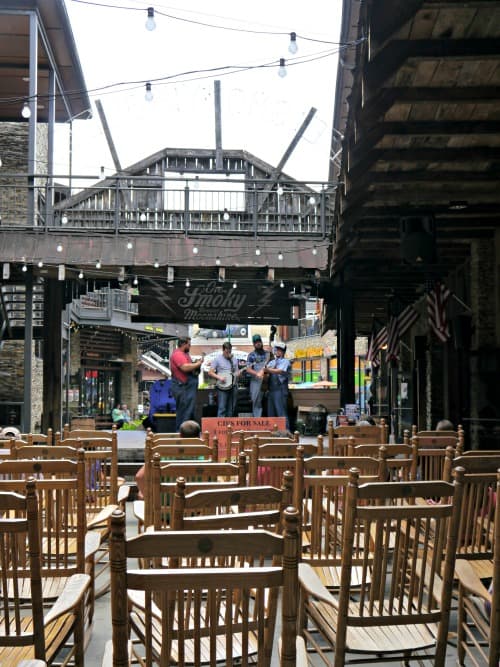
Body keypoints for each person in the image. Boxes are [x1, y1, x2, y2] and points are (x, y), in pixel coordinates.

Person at [134, 419, 201, 499]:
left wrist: (148, 497)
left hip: (163, 508)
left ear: (180, 436)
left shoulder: (163, 455)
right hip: (195, 508)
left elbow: (139, 477)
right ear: (199, 436)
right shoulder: (205, 458)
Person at [169, 336, 204, 431]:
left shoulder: (185, 354)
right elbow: (185, 367)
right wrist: (198, 363)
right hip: (182, 387)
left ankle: (187, 433)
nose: (190, 346)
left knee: (189, 411)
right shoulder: (177, 354)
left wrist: (195, 364)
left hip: (187, 387)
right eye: (189, 344)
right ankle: (181, 434)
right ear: (184, 344)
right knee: (184, 412)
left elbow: (190, 367)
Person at [264, 341, 292, 430]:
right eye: (277, 350)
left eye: (280, 350)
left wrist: (267, 370)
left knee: (281, 413)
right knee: (270, 413)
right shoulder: (272, 362)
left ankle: (286, 434)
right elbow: (265, 369)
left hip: (280, 390)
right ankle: (272, 434)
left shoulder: (286, 361)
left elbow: (279, 371)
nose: (277, 351)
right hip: (271, 390)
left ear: (283, 352)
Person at [208, 341, 239, 417]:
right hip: (222, 387)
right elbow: (210, 372)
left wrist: (238, 374)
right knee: (222, 408)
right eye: (226, 351)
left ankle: (229, 426)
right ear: (223, 350)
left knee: (231, 408)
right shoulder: (217, 359)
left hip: (233, 386)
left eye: (229, 351)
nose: (228, 353)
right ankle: (220, 427)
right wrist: (219, 377)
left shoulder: (234, 359)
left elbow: (237, 371)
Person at [245, 334, 269, 417]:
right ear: (253, 344)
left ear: (262, 342)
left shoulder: (268, 354)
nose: (258, 343)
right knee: (256, 402)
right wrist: (257, 373)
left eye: (259, 341)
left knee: (268, 402)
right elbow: (248, 369)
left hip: (267, 381)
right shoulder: (251, 355)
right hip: (256, 382)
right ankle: (257, 421)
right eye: (256, 342)